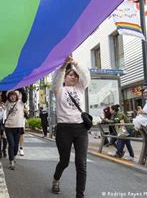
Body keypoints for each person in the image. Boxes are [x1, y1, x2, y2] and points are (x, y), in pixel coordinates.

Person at [51, 56, 90, 197]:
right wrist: (63, 67)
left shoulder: (81, 88)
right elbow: (55, 81)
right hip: (64, 129)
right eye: (70, 74)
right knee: (65, 161)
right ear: (65, 77)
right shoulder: (59, 90)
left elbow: (86, 76)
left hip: (80, 129)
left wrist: (75, 63)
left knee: (81, 164)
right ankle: (56, 178)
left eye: (75, 75)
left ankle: (80, 195)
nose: (73, 77)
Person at [4, 89, 28, 170]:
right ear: (9, 97)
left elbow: (24, 95)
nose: (12, 97)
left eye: (14, 95)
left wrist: (20, 87)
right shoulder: (7, 103)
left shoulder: (21, 103)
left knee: (16, 146)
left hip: (18, 127)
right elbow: (4, 94)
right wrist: (8, 86)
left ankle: (13, 156)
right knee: (11, 144)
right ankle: (11, 161)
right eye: (11, 95)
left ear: (17, 96)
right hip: (8, 127)